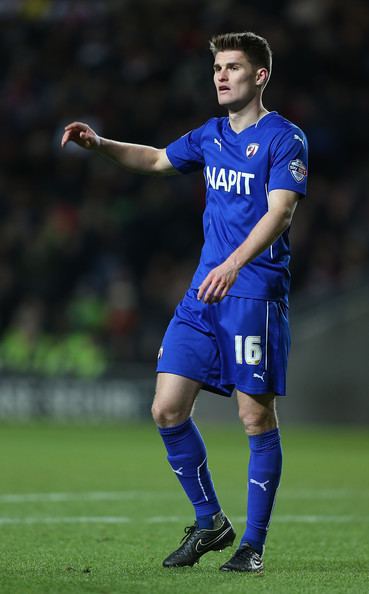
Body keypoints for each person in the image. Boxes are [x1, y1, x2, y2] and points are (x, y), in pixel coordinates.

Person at [62, 31, 308, 574]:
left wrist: (233, 262)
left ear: (260, 75)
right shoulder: (210, 135)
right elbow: (153, 160)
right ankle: (210, 523)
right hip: (204, 294)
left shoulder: (285, 139)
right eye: (217, 67)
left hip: (252, 293)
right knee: (166, 407)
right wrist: (101, 145)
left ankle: (252, 545)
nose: (221, 76)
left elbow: (281, 213)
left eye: (233, 67)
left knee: (254, 416)